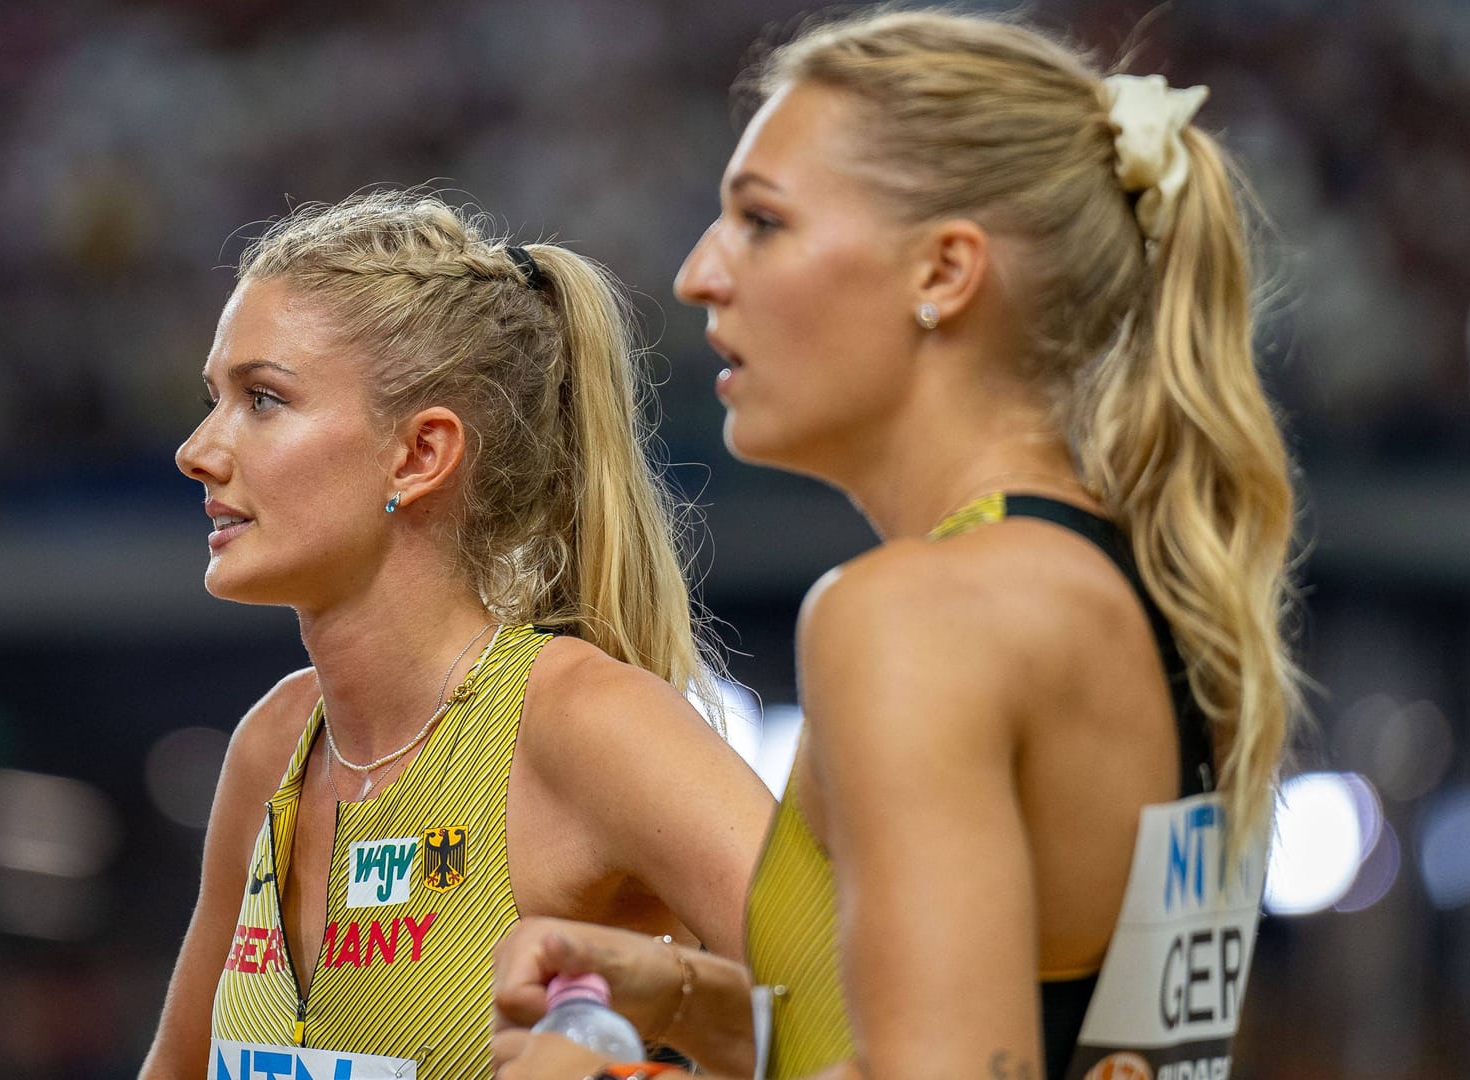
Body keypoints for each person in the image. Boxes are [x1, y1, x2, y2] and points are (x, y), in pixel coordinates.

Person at [493, 10, 1299, 1080]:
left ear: (944, 272)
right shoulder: (1144, 589)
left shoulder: (911, 615)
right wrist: (690, 1006)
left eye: (762, 222)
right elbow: (1000, 1035)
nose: (696, 273)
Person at [138, 190, 773, 1080]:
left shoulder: (585, 723)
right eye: (215, 399)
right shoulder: (272, 745)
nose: (198, 450)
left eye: (264, 400)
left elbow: (871, 1010)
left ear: (418, 455)